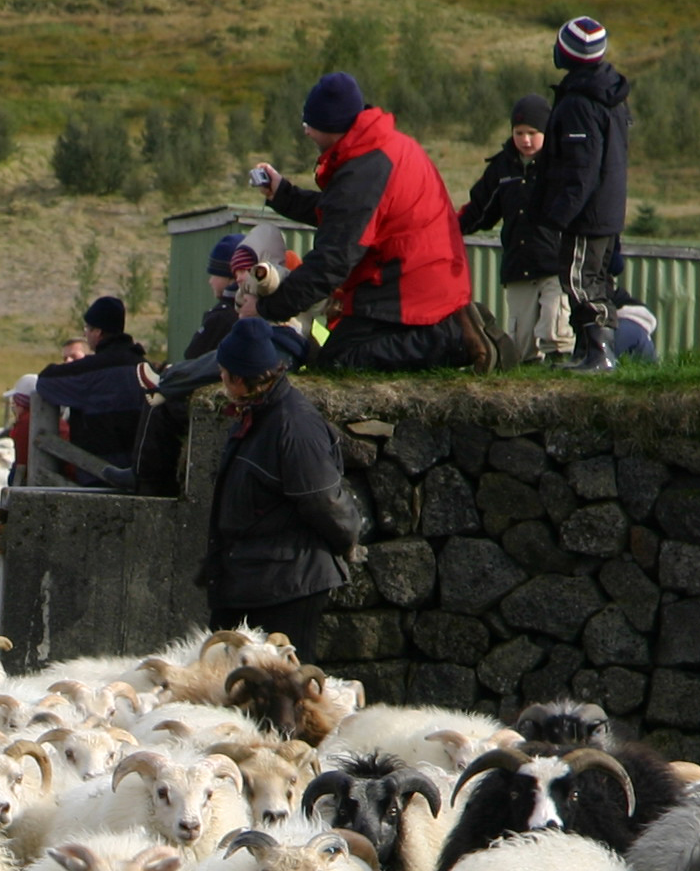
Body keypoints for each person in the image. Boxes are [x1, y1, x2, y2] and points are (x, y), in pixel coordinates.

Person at [247, 71, 489, 373]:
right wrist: (283, 194)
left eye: (309, 125)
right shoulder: (381, 149)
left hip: (405, 288)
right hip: (415, 279)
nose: (307, 133)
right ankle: (454, 328)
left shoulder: (364, 170)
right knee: (337, 356)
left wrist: (266, 309)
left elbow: (332, 261)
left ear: (331, 126)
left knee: (340, 363)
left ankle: (452, 339)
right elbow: (345, 216)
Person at [195, 316, 362, 653]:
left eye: (224, 372)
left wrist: (349, 539)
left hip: (287, 586)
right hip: (255, 579)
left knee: (279, 691)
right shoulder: (258, 414)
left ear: (240, 379)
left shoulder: (293, 426)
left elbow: (325, 501)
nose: (220, 378)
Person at [532, 15, 634, 372]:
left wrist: (556, 216)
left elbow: (581, 170)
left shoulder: (579, 103)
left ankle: (599, 354)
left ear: (567, 52)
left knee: (578, 281)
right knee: (597, 280)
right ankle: (589, 352)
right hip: (607, 209)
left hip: (585, 215)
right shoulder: (610, 96)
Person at [456, 93, 569, 367]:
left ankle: (561, 371)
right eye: (519, 133)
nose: (526, 140)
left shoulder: (562, 165)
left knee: (556, 331)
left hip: (557, 264)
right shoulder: (502, 168)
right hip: (519, 266)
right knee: (522, 343)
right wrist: (447, 229)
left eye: (533, 132)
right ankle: (529, 380)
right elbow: (480, 211)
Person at [32, 294, 158, 484]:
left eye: (87, 329)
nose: (85, 334)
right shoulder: (145, 367)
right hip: (143, 473)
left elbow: (46, 380)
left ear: (98, 332)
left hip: (100, 473)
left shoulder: (95, 370)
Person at [182, 233, 249, 361]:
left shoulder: (222, 317)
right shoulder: (256, 309)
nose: (210, 281)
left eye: (215, 275)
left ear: (232, 277)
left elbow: (192, 355)